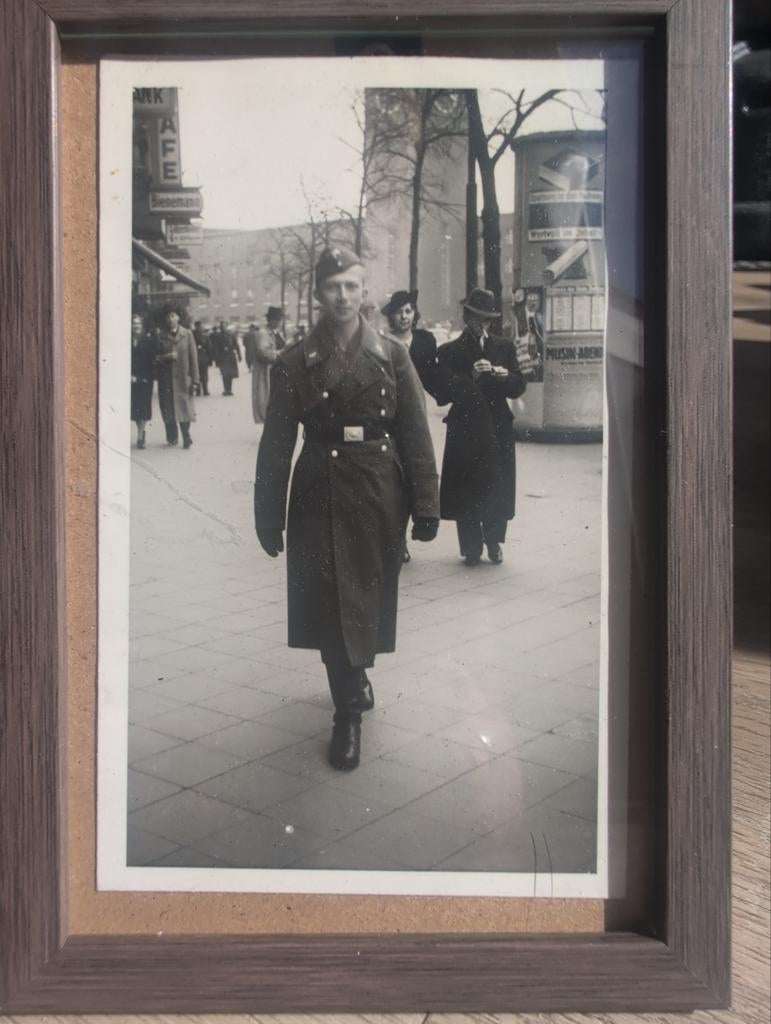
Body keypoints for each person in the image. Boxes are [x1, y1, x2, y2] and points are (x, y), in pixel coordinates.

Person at [254, 245, 439, 771]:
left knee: (365, 596)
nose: (343, 295)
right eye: (333, 286)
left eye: (352, 286)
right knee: (332, 602)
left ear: (364, 291)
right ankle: (348, 712)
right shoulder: (294, 361)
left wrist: (426, 502)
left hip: (378, 491)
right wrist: (268, 513)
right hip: (319, 491)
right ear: (318, 292)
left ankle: (355, 676)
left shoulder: (392, 355)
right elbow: (276, 444)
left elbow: (415, 431)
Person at [436, 287, 526, 567]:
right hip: (466, 426)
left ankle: (494, 542)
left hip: (497, 425)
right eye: (476, 318)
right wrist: (471, 376)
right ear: (466, 317)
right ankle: (471, 546)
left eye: (487, 319)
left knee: (497, 484)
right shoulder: (449, 351)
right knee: (467, 487)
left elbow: (518, 386)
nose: (482, 325)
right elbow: (443, 392)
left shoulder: (504, 347)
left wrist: (504, 376)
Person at [380, 288, 441, 562]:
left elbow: (435, 375)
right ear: (390, 316)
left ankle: (405, 533)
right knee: (394, 478)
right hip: (389, 416)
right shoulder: (382, 342)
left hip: (417, 416)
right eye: (399, 312)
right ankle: (397, 539)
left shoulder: (425, 341)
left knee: (413, 475)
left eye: (408, 311)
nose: (404, 316)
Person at [155, 307, 200, 449]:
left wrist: (195, 380)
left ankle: (186, 436)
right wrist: (167, 356)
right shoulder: (160, 336)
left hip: (183, 379)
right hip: (166, 380)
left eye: (173, 315)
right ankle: (172, 437)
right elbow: (155, 358)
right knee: (168, 409)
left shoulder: (187, 334)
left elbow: (194, 359)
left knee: (184, 408)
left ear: (178, 318)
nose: (170, 319)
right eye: (168, 316)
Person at [250, 306, 286, 425]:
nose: (278, 322)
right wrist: (282, 354)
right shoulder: (263, 333)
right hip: (267, 372)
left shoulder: (276, 332)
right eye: (276, 319)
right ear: (270, 320)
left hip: (277, 372)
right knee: (267, 401)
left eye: (279, 319)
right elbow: (263, 353)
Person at [130, 313, 156, 449]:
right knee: (135, 410)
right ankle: (141, 431)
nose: (136, 326)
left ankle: (140, 436)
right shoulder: (126, 340)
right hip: (131, 379)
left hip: (145, 379)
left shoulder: (148, 341)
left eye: (138, 324)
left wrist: (145, 377)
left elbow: (151, 361)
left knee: (143, 408)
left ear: (142, 325)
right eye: (134, 324)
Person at [211, 319, 242, 395]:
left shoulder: (231, 335)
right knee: (224, 374)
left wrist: (239, 355)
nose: (223, 328)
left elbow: (236, 345)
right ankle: (225, 389)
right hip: (222, 357)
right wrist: (216, 359)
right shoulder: (218, 336)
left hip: (230, 356)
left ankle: (230, 390)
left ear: (226, 326)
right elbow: (215, 348)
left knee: (230, 374)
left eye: (224, 326)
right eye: (221, 326)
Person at [193, 320, 212, 396]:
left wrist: (210, 359)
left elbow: (209, 348)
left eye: (200, 326)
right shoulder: (192, 336)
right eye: (198, 326)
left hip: (203, 358)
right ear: (196, 327)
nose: (200, 328)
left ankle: (205, 390)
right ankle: (198, 390)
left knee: (204, 375)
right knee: (196, 374)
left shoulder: (205, 336)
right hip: (195, 357)